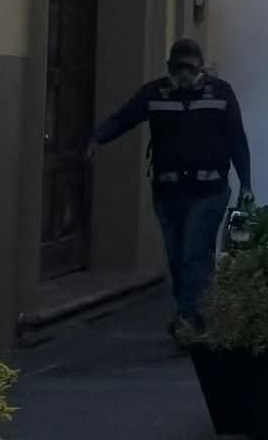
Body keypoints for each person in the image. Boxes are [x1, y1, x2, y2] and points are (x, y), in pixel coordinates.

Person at [88, 38, 252, 341]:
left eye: (189, 68)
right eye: (179, 69)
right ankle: (196, 313)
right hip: (168, 191)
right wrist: (98, 138)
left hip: (209, 190)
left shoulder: (221, 93)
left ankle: (189, 318)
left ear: (201, 67)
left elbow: (237, 140)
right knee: (177, 257)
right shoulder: (154, 93)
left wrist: (246, 183)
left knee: (194, 252)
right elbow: (124, 118)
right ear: (169, 68)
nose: (184, 75)